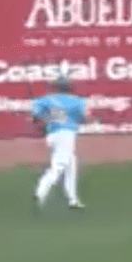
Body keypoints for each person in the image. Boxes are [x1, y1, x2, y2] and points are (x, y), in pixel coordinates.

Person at [30, 78, 93, 210]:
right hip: (66, 135)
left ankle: (73, 200)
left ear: (57, 87)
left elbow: (35, 115)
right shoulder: (76, 101)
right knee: (58, 166)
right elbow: (84, 118)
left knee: (71, 166)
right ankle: (40, 192)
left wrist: (47, 118)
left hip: (53, 135)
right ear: (69, 87)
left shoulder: (47, 100)